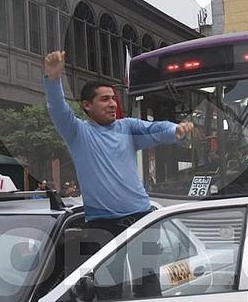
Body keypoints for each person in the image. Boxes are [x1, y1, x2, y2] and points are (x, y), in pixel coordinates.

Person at [43, 50, 193, 239]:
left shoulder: (128, 127)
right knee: (106, 270)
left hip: (141, 216)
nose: (113, 104)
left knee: (148, 269)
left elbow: (153, 129)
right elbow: (57, 108)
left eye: (113, 98)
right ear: (87, 105)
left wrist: (175, 130)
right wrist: (53, 79)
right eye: (105, 99)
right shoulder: (77, 132)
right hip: (101, 222)